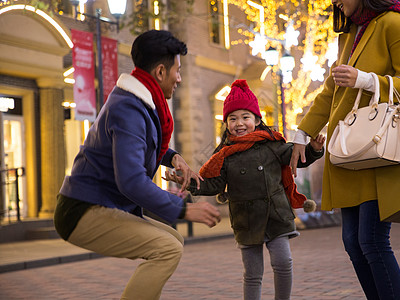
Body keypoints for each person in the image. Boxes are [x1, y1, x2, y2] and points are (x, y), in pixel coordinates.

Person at [54, 30, 221, 300]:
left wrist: (172, 156)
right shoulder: (129, 108)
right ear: (160, 71)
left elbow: (143, 142)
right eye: (177, 71)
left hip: (99, 204)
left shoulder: (140, 102)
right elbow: (131, 181)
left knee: (173, 242)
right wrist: (183, 209)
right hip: (82, 209)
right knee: (168, 249)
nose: (179, 78)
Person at [289, 0, 400, 299]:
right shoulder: (349, 32)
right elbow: (331, 90)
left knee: (372, 240)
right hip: (350, 151)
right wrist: (302, 133)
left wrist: (366, 80)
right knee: (353, 242)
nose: (335, 2)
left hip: (380, 150)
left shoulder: (395, 22)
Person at [165, 79, 325, 300]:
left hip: (275, 215)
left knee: (283, 262)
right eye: (232, 118)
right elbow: (213, 183)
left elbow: (297, 157)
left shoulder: (272, 143)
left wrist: (314, 149)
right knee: (252, 273)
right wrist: (188, 180)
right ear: (226, 122)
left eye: (245, 117)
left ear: (257, 120)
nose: (239, 123)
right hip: (246, 220)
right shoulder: (224, 154)